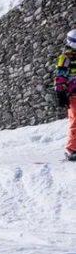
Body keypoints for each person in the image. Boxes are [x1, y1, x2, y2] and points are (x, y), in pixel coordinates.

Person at [55, 28, 76, 161]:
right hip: (73, 95)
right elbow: (60, 76)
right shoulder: (65, 58)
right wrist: (60, 91)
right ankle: (71, 149)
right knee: (75, 121)